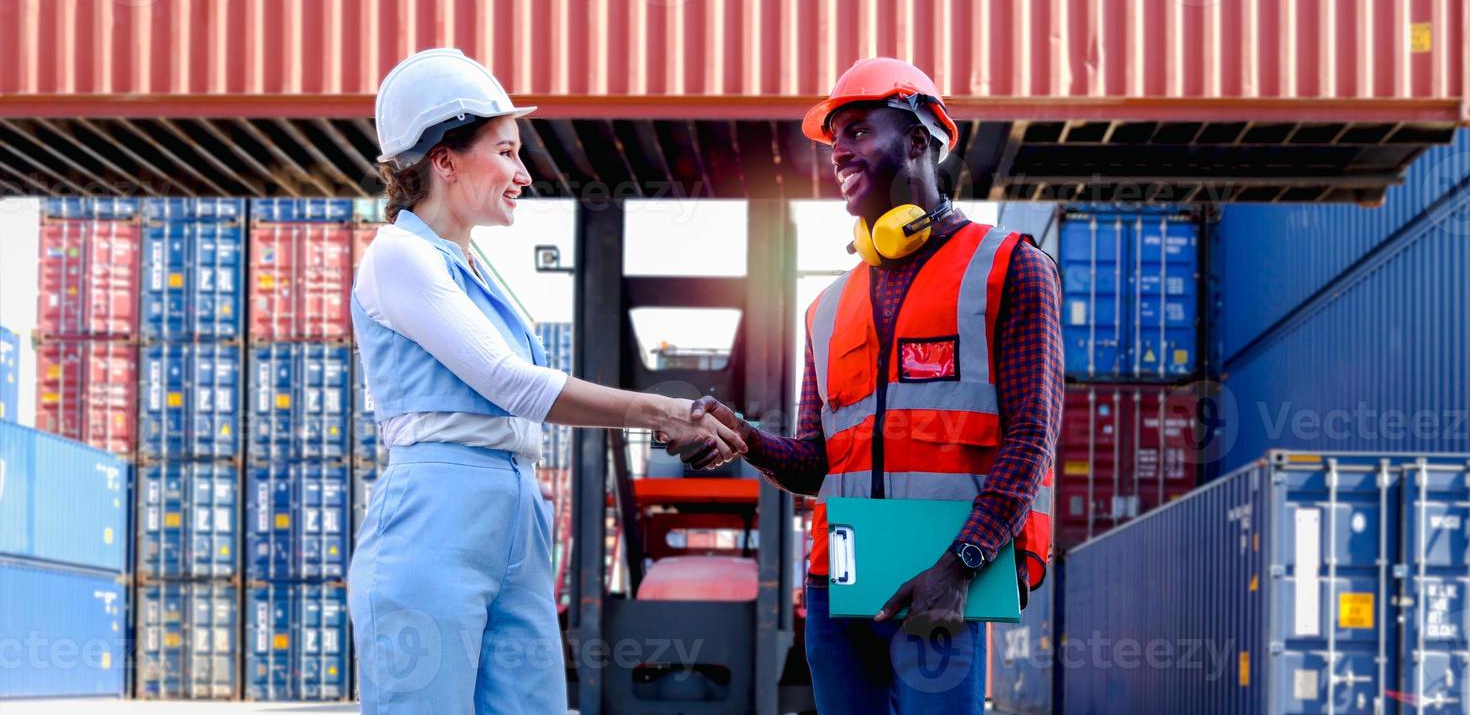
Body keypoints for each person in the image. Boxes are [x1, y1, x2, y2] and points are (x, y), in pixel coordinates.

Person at [347, 47, 745, 715]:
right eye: (505, 152)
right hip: (437, 511)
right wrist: (663, 412)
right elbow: (512, 384)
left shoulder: (472, 271)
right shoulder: (399, 256)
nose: (524, 174)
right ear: (443, 159)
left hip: (516, 512)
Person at [666, 57, 1063, 713]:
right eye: (832, 140)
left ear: (918, 139)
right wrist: (750, 441)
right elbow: (817, 462)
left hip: (944, 581)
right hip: (837, 588)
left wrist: (961, 565)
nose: (838, 153)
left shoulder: (1009, 269)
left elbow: (1032, 436)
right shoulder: (826, 307)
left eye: (856, 132)